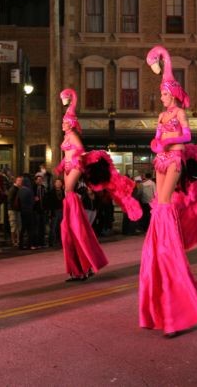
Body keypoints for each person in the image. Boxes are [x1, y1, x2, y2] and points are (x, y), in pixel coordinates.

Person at [139, 45, 197, 337]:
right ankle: (160, 239)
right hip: (160, 160)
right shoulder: (161, 117)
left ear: (172, 93)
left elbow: (185, 136)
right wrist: (157, 143)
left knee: (163, 205)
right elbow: (156, 139)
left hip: (174, 159)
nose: (160, 97)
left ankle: (167, 241)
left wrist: (166, 140)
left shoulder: (179, 113)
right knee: (158, 205)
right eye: (160, 93)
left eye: (163, 93)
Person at [55, 88, 109, 282]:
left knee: (69, 192)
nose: (62, 124)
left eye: (64, 122)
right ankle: (77, 268)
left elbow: (80, 151)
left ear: (70, 123)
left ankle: (74, 218)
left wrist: (73, 165)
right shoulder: (66, 137)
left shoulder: (73, 136)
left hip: (74, 166)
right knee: (67, 199)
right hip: (69, 167)